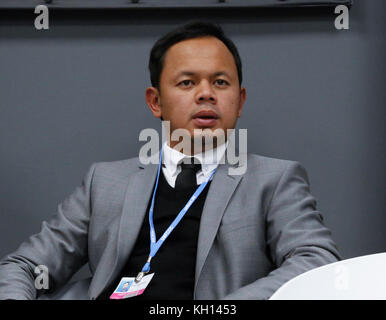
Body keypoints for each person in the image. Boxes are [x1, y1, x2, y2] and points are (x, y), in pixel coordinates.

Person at [0, 21, 340, 300]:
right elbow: (25, 266)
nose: (206, 93)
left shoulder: (274, 179)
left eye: (220, 82)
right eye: (187, 82)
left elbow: (316, 260)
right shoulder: (103, 182)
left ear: (239, 101)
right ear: (156, 102)